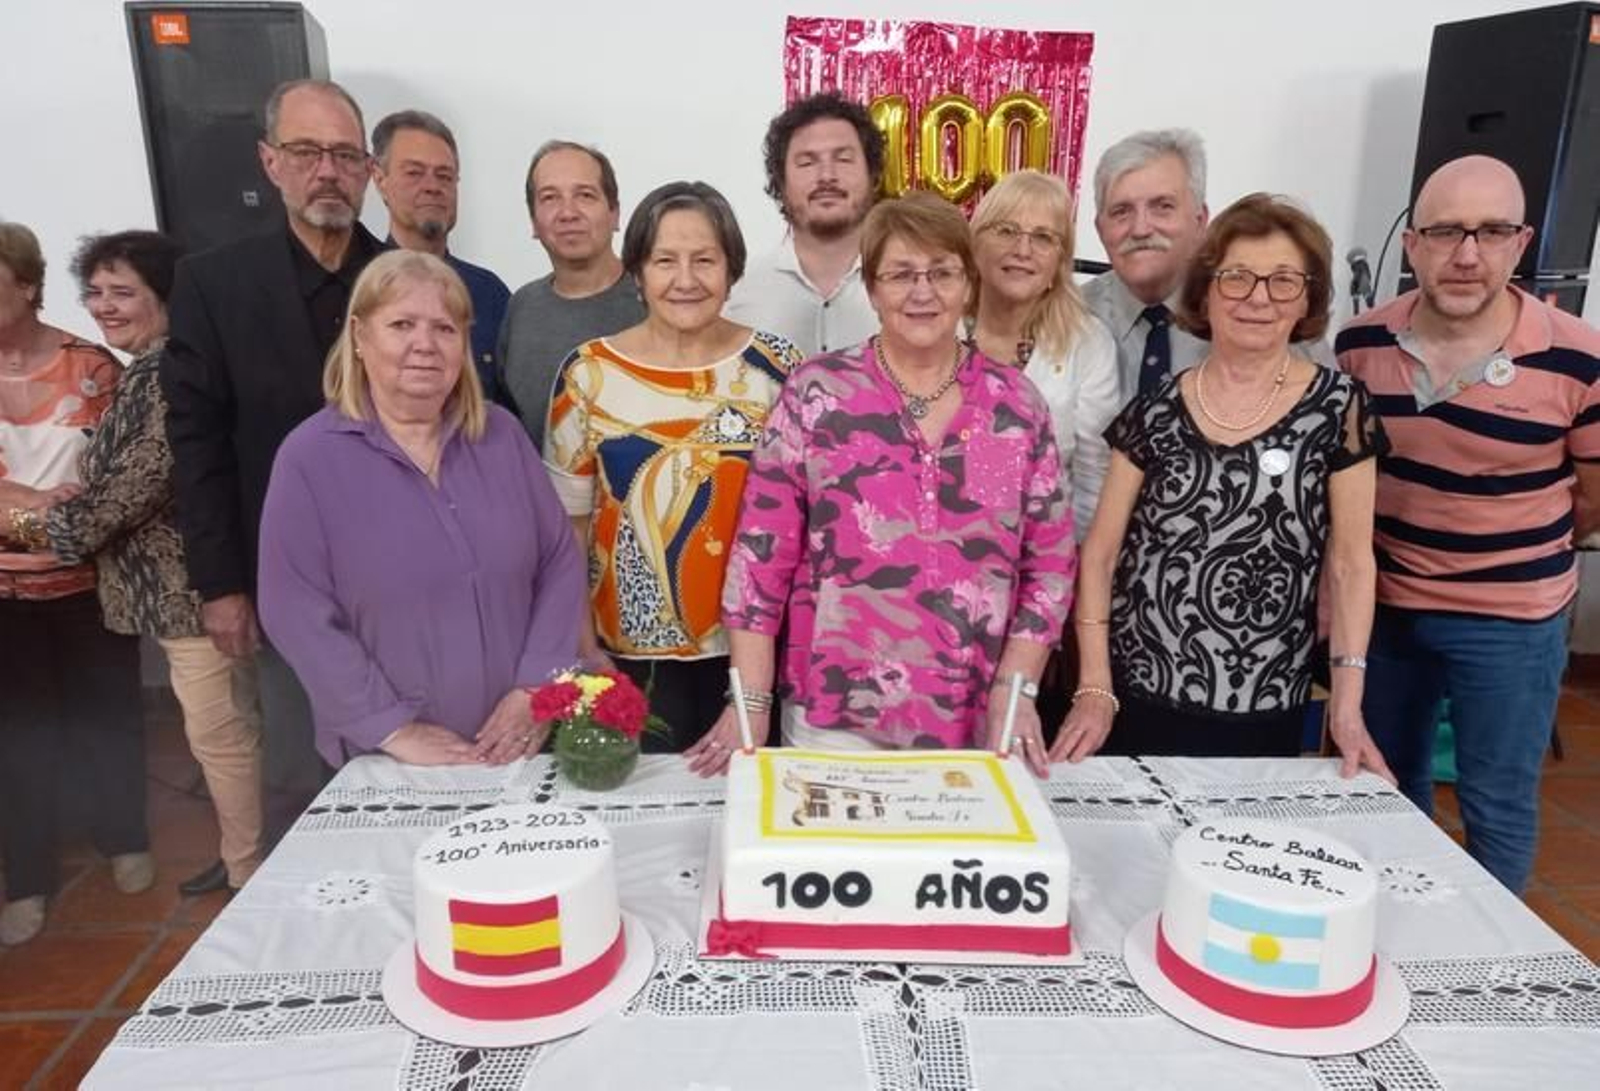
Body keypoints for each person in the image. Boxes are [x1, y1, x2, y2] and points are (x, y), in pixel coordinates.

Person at [707, 192, 1076, 778]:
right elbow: (760, 557)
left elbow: (1049, 565)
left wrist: (1018, 686)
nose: (922, 292)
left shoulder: (1012, 407)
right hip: (832, 717)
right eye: (901, 274)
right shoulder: (817, 393)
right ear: (873, 290)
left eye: (942, 272)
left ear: (968, 284)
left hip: (975, 717)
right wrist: (749, 702)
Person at [1052, 194, 1391, 779]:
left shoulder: (1339, 409)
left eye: (1282, 280)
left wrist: (1347, 701)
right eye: (1237, 278)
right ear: (1206, 290)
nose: (1258, 298)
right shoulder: (1155, 408)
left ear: (1307, 296)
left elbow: (1352, 566)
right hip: (1139, 689)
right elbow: (1102, 555)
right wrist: (1095, 685)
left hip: (1263, 697)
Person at [1337, 155, 1600, 895]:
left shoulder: (1580, 357)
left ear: (1521, 242)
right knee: (1388, 781)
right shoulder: (1360, 346)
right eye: (1445, 231)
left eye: (1489, 232)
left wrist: (1516, 550)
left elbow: (1592, 493)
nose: (1465, 254)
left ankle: (1490, 956)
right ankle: (1403, 925)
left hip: (1512, 617)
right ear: (1412, 243)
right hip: (1387, 607)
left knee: (1496, 801)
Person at [258, 250, 585, 767]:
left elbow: (560, 562)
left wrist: (537, 690)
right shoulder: (309, 458)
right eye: (401, 324)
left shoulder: (501, 437)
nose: (424, 345)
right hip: (391, 758)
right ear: (360, 338)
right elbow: (293, 611)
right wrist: (390, 728)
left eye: (444, 328)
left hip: (524, 741)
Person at [162, 78, 386, 832]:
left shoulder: (403, 285)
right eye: (305, 150)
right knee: (299, 762)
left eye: (344, 154)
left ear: (367, 169)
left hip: (397, 575)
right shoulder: (213, 282)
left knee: (400, 753)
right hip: (278, 576)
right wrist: (221, 583)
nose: (327, 170)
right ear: (269, 161)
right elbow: (196, 443)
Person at [13, 231, 265, 900]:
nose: (104, 306)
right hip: (175, 594)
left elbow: (145, 479)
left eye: (123, 292)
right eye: (94, 292)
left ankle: (249, 872)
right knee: (220, 730)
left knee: (222, 735)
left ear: (167, 297)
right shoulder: (145, 370)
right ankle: (239, 851)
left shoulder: (165, 371)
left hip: (192, 594)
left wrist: (41, 520)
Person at [544, 182, 800, 753]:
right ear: (636, 270)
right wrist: (586, 654)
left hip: (755, 661)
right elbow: (568, 531)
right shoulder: (588, 375)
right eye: (665, 261)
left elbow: (804, 528)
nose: (686, 280)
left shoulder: (777, 369)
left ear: (731, 269)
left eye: (704, 260)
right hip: (624, 663)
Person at [0, 222, 151, 946]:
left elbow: (114, 488)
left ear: (27, 285)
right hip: (5, 597)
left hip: (91, 583)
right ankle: (26, 878)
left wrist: (20, 511)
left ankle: (126, 838)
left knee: (109, 718)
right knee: (18, 737)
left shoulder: (92, 368)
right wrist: (39, 513)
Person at [1082, 129, 1333, 402]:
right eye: (1121, 212)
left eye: (1163, 206)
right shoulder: (1068, 320)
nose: (1141, 229)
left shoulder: (1262, 313)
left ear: (1200, 221)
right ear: (1099, 228)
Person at [969, 169, 1122, 535]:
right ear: (975, 245)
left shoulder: (1087, 342)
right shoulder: (935, 325)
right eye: (1006, 230)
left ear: (1059, 262)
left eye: (1043, 238)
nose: (1022, 250)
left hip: (1044, 557)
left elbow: (1092, 480)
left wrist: (1076, 574)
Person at [499, 141, 644, 449]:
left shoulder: (655, 302)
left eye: (585, 196)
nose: (568, 213)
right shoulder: (521, 308)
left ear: (615, 213)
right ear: (533, 221)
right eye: (550, 198)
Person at [725, 91, 883, 358]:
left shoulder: (915, 292)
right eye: (807, 163)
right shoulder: (737, 295)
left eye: (843, 159)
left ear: (873, 174)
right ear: (780, 182)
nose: (826, 176)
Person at [371, 109, 510, 403]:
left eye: (444, 176)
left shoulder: (490, 294)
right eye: (414, 173)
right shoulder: (360, 289)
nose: (433, 187)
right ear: (379, 179)